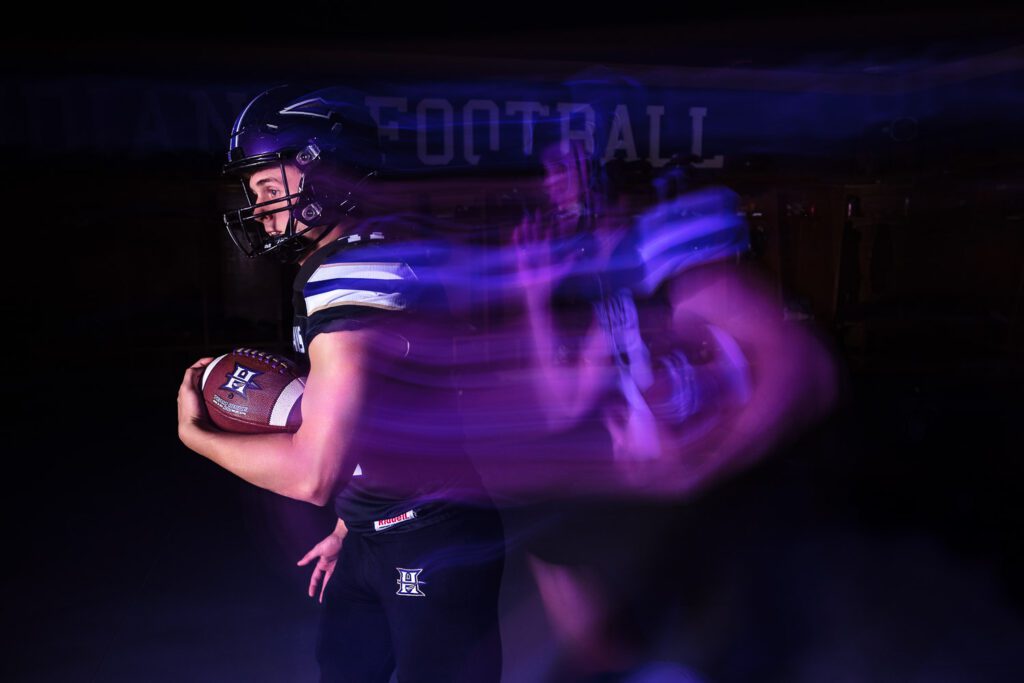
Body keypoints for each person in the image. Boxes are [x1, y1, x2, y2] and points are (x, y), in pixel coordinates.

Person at [176, 85, 504, 683]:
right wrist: (349, 526)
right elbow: (383, 410)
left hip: (429, 537)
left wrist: (194, 433)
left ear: (327, 171)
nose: (262, 211)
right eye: (256, 196)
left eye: (271, 190)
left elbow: (311, 474)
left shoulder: (354, 271)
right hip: (372, 530)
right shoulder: (357, 253)